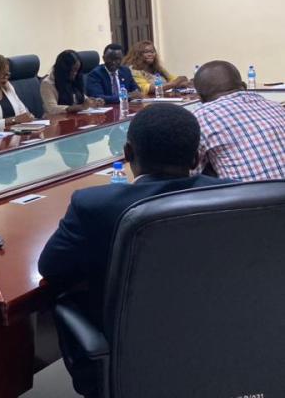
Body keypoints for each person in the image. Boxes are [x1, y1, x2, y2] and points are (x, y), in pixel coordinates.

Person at [39, 104, 227, 324]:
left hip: (128, 337)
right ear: (196, 159)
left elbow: (51, 268)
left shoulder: (93, 205)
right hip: (218, 327)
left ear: (127, 153)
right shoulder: (232, 197)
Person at [193, 60, 285, 180]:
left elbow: (188, 173)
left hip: (247, 197)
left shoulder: (201, 116)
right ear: (244, 86)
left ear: (200, 98)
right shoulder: (277, 107)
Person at [41, 50, 104, 115]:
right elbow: (52, 109)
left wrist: (93, 102)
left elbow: (83, 99)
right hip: (56, 122)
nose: (75, 73)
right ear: (63, 69)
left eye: (77, 70)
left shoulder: (75, 78)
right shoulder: (48, 83)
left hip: (76, 119)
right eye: (72, 70)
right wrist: (80, 107)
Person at [123, 40, 189, 96]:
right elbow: (148, 89)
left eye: (152, 52)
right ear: (137, 54)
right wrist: (174, 83)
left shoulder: (158, 68)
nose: (150, 54)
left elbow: (174, 79)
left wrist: (181, 82)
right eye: (146, 52)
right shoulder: (134, 70)